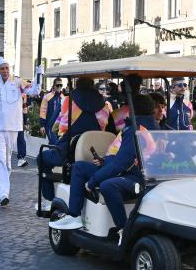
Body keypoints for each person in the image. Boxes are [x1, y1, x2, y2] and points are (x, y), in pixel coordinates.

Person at [49, 95, 158, 244]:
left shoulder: (135, 130)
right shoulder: (152, 127)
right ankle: (74, 215)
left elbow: (121, 164)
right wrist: (104, 161)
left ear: (131, 109)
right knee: (79, 167)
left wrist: (93, 181)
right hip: (131, 171)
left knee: (103, 183)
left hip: (132, 176)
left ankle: (121, 229)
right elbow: (123, 157)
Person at [0, 57, 42, 206]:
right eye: (2, 68)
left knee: (6, 161)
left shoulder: (17, 82)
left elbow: (34, 90)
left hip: (12, 127)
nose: (5, 71)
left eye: (7, 68)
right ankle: (3, 193)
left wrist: (38, 75)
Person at [37, 77, 104, 211]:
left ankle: (49, 198)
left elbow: (59, 127)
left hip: (69, 151)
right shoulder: (104, 104)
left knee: (42, 158)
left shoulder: (70, 100)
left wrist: (55, 129)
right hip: (96, 152)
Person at [39, 79, 64, 144]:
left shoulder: (62, 97)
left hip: (60, 126)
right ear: (54, 86)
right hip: (50, 126)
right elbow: (43, 111)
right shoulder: (47, 96)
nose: (59, 87)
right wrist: (42, 125)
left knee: (57, 145)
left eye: (61, 85)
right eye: (57, 85)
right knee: (53, 143)